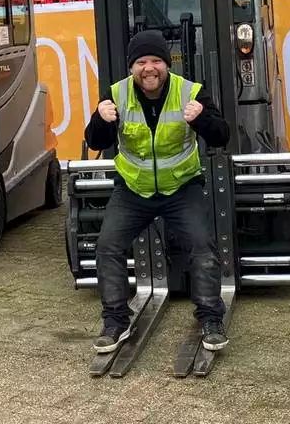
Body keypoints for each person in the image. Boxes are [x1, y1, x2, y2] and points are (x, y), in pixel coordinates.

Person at [84, 30, 232, 354]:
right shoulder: (117, 94)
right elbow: (95, 141)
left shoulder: (190, 92)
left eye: (155, 61)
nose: (148, 68)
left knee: (202, 246)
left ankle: (211, 319)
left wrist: (203, 118)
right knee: (107, 245)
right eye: (140, 62)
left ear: (167, 64)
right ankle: (115, 322)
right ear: (131, 67)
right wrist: (99, 119)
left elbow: (222, 136)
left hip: (181, 187)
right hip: (133, 190)